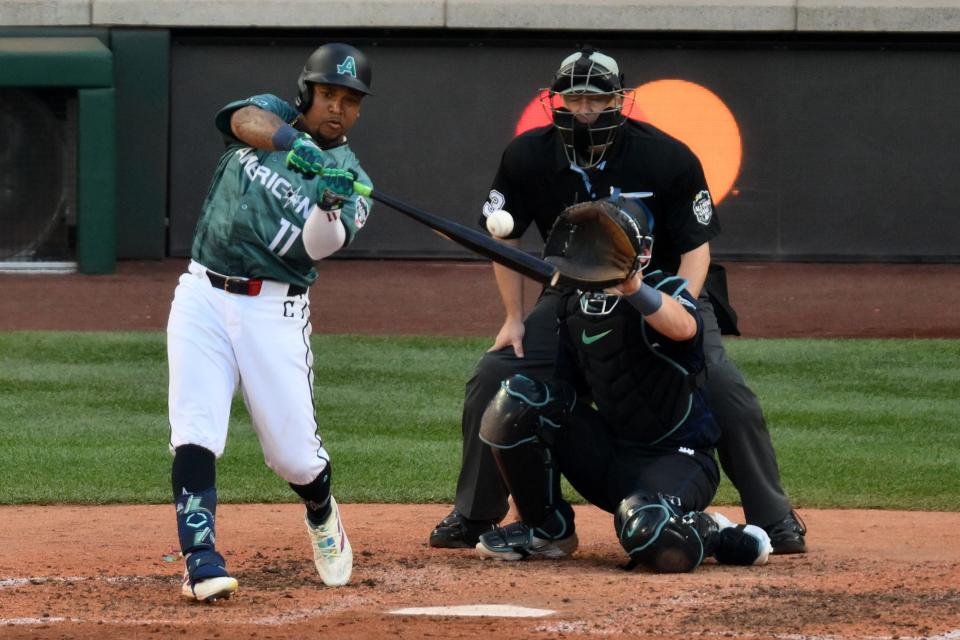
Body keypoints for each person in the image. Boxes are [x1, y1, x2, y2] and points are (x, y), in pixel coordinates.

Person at [430, 47, 806, 554]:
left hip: (665, 289)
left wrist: (677, 310)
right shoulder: (526, 156)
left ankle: (774, 517)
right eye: (575, 98)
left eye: (597, 98)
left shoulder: (665, 156)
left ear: (617, 101)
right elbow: (505, 238)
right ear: (556, 101)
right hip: (569, 296)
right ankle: (477, 514)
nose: (585, 109)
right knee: (494, 375)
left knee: (721, 386)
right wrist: (514, 318)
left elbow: (697, 248)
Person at [167, 42, 374, 602]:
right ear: (307, 92)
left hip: (273, 310)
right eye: (329, 93)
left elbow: (316, 248)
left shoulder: (353, 178)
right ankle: (200, 559)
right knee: (194, 427)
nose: (337, 107)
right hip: (202, 292)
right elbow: (240, 119)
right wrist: (294, 143)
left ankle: (321, 509)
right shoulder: (273, 113)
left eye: (350, 100)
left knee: (294, 457)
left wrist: (329, 203)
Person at [475, 200, 773, 572]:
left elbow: (684, 327)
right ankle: (546, 532)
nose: (599, 253)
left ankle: (715, 531)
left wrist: (632, 287)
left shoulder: (666, 289)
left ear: (643, 252)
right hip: (611, 458)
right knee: (518, 400)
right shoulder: (573, 306)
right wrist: (527, 502)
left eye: (611, 245)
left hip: (679, 461)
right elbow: (560, 401)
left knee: (652, 537)